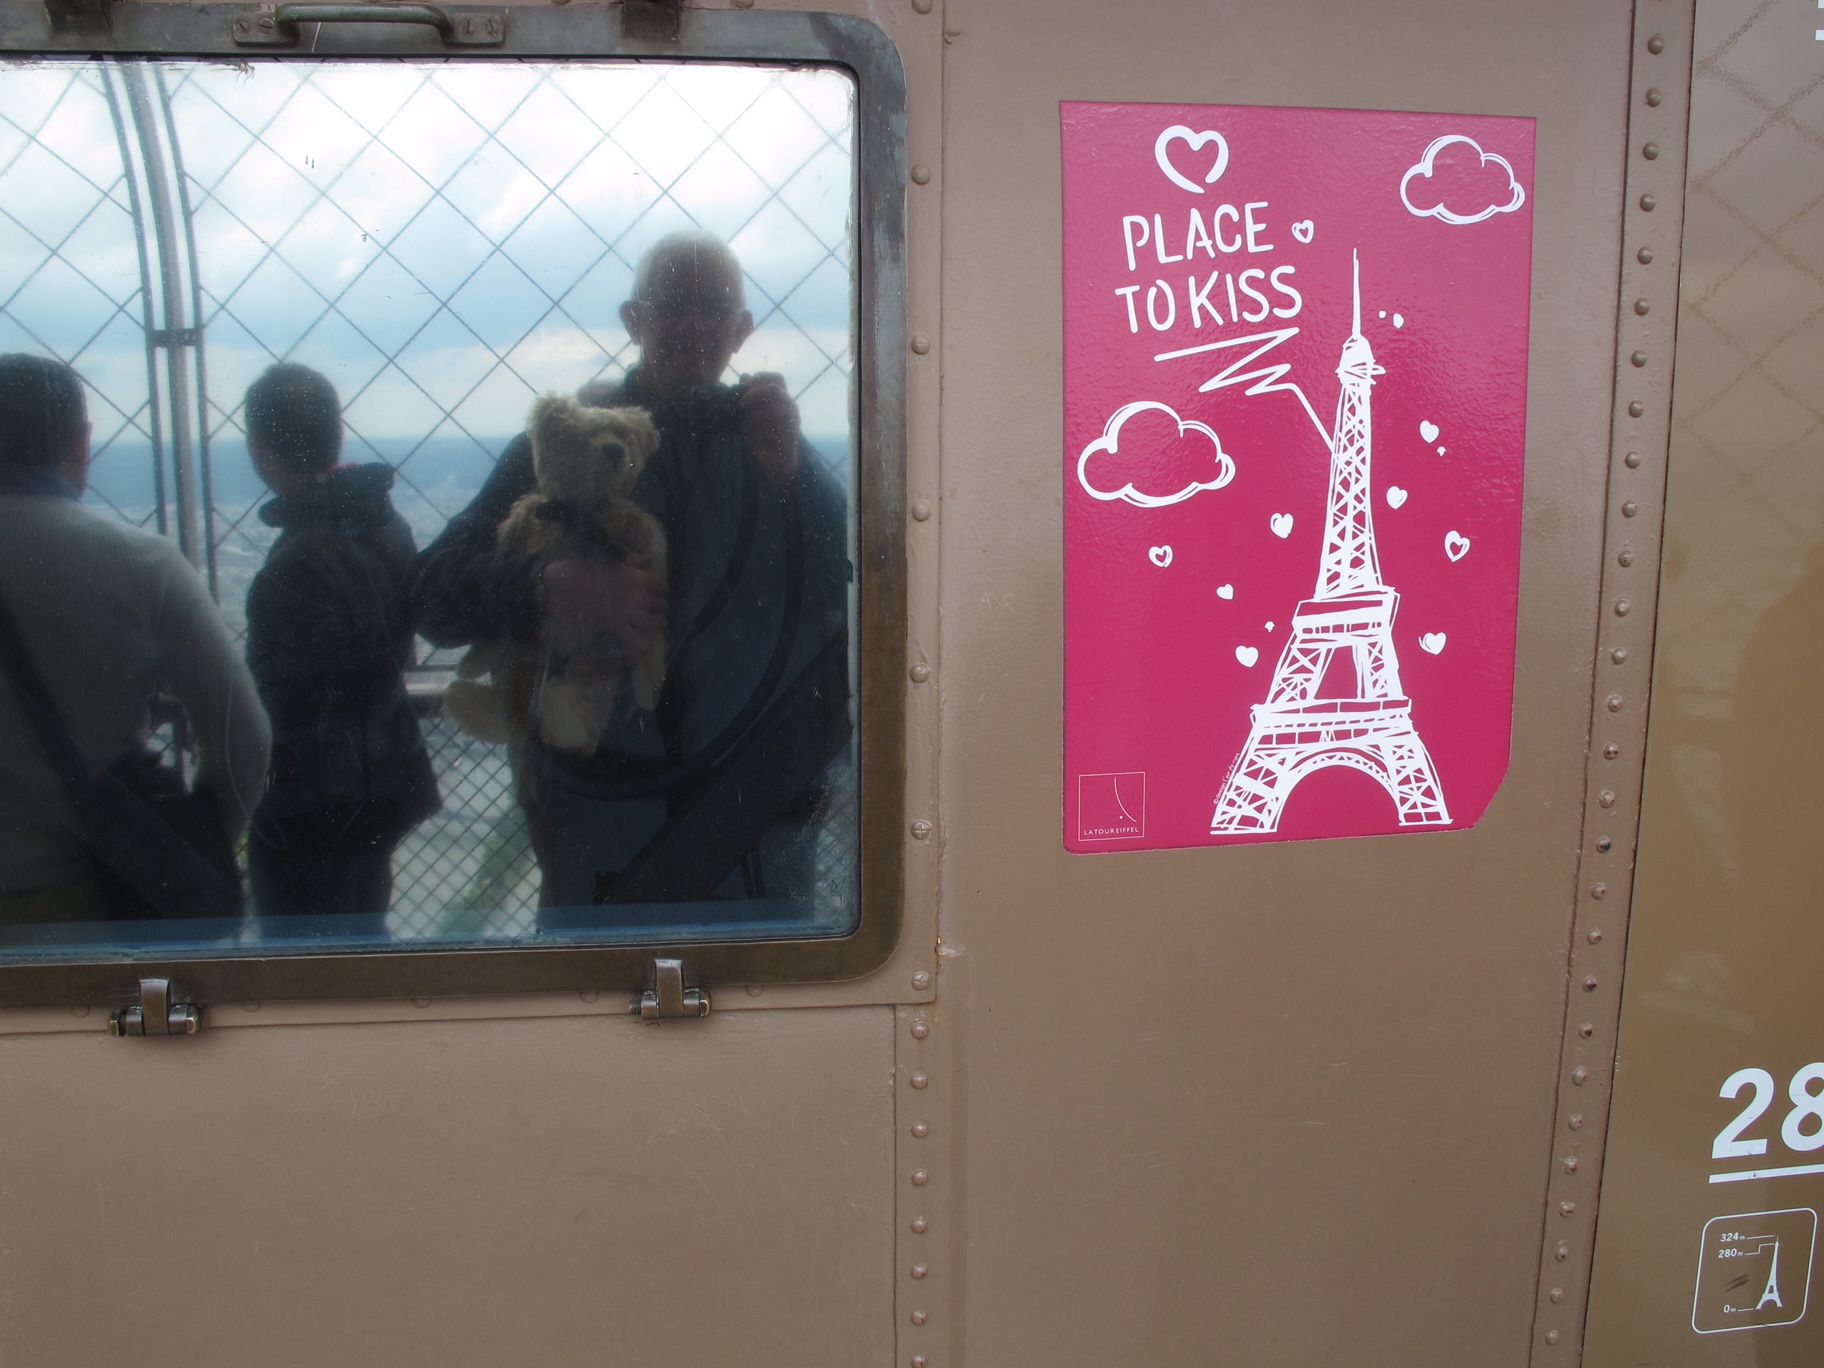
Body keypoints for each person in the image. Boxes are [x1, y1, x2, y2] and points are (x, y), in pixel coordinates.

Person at [410, 230, 852, 914]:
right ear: (634, 320)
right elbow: (431, 593)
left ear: (740, 331)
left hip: (702, 824)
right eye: (674, 304)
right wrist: (548, 594)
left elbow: (849, 594)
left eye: (712, 309)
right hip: (699, 824)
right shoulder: (571, 448)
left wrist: (792, 478)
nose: (694, 326)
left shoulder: (766, 449)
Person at [0, 354, 269, 924]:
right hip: (95, 896)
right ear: (80, 442)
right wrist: (178, 845)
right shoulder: (138, 561)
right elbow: (243, 737)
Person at [241, 364, 439, 933]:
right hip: (379, 786)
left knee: (303, 954)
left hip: (309, 811)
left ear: (259, 447)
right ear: (336, 431)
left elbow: (281, 709)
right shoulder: (384, 522)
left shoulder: (294, 564)